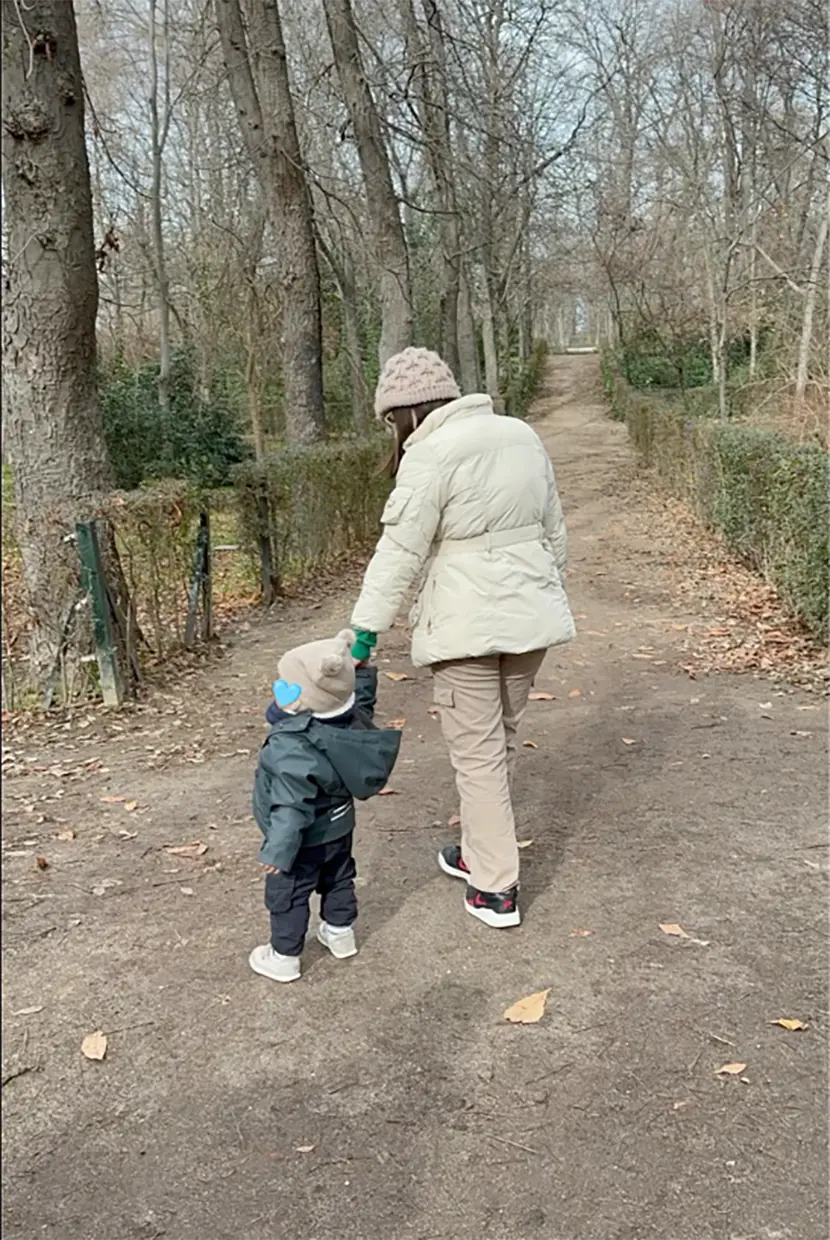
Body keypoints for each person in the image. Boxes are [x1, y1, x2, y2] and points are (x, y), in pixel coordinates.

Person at [350, 347, 574, 929]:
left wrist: (364, 633)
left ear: (406, 413)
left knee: (477, 757)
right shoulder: (520, 434)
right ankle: (478, 852)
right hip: (530, 622)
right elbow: (555, 531)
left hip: (464, 628)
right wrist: (546, 593)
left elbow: (398, 554)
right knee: (495, 743)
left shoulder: (429, 454)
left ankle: (496, 888)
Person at [250, 629, 401, 983]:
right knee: (338, 877)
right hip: (339, 826)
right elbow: (358, 698)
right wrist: (360, 672)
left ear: (301, 700)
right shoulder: (350, 722)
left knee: (288, 893)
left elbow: (290, 806)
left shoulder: (291, 746)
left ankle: (284, 956)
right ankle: (340, 932)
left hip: (302, 839)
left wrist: (277, 852)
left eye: (287, 684)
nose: (279, 686)